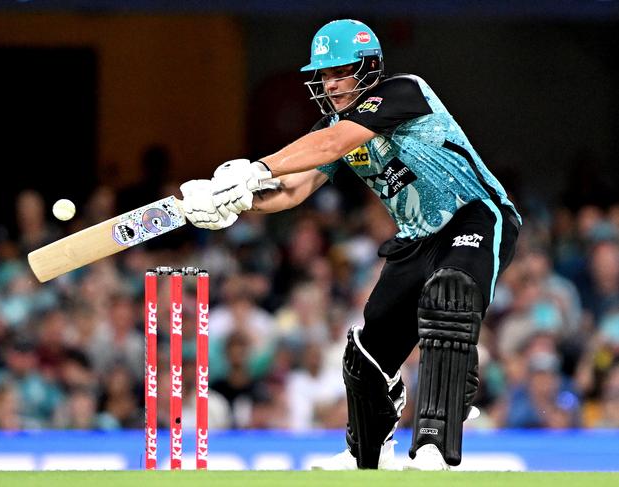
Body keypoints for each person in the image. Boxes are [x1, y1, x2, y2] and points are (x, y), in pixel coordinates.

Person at [180, 19, 521, 470]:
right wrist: (235, 204)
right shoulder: (335, 127)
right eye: (324, 75)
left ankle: (436, 439)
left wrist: (255, 168)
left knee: (449, 293)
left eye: (341, 71)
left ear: (371, 66)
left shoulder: (404, 91)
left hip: (474, 215)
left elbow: (333, 142)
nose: (331, 83)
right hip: (415, 240)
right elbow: (294, 190)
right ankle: (369, 450)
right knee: (366, 351)